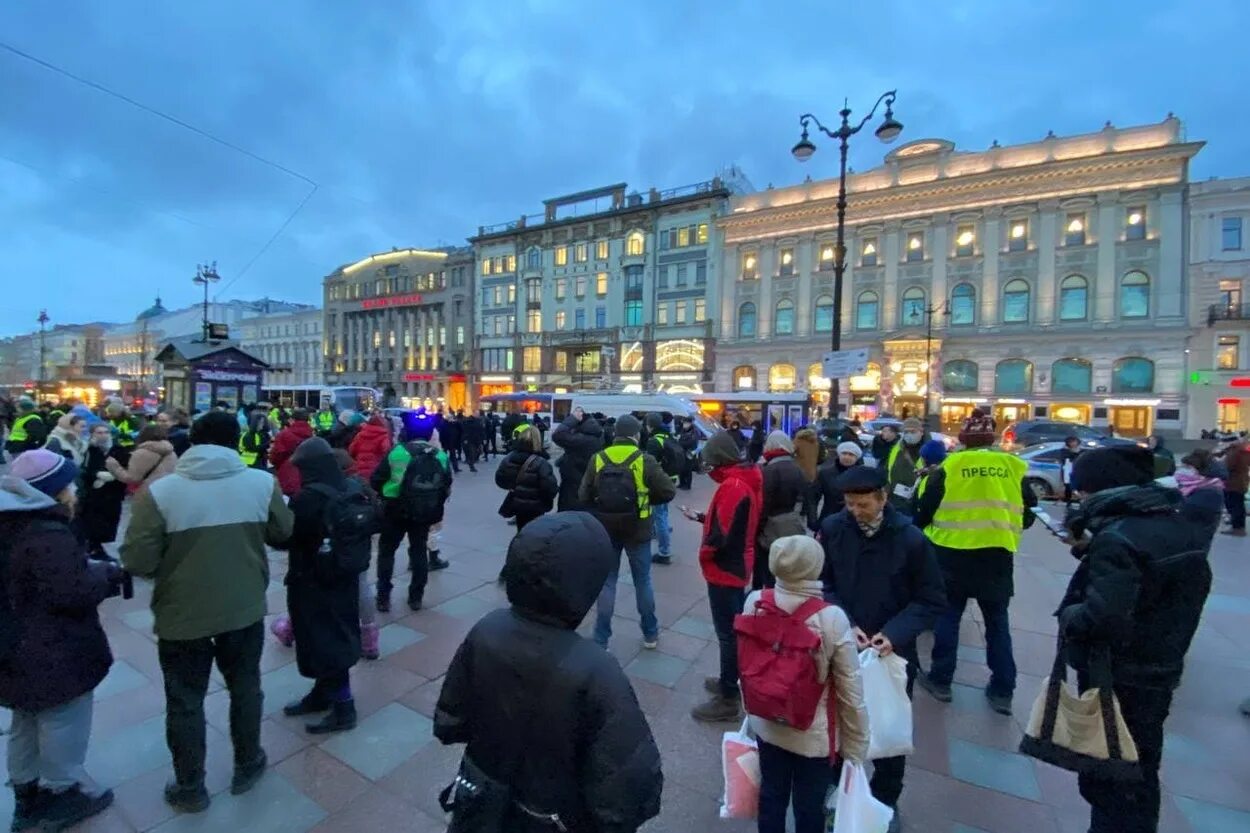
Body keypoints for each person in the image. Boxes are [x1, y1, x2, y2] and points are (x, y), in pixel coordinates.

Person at [434, 513, 663, 833]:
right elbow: (629, 790)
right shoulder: (597, 670)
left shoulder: (488, 629)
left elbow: (449, 723)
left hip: (481, 809)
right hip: (550, 816)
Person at [120, 412, 294, 814]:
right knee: (246, 686)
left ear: (192, 442)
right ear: (236, 440)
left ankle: (189, 786)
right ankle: (248, 763)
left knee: (184, 700)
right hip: (244, 606)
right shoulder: (260, 482)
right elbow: (283, 532)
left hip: (182, 615)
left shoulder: (162, 492)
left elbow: (138, 560)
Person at [1059, 446, 1212, 833]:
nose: (1079, 496)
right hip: (1160, 665)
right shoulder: (1178, 524)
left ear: (1102, 487)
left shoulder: (1118, 538)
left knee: (1109, 774)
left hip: (1117, 672)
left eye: (1082, 489)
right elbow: (1152, 587)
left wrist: (1069, 615)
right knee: (1140, 769)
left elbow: (1102, 615)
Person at [1, 451, 121, 831]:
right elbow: (72, 593)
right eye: (68, 484)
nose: (75, 490)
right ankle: (61, 793)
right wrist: (105, 577)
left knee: (25, 719)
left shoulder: (11, 524)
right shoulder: (47, 533)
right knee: (63, 720)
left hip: (14, 642)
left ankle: (26, 792)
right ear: (52, 491)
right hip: (53, 647)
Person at [819, 465, 946, 825]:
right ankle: (839, 793)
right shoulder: (833, 529)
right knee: (839, 725)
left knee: (888, 727)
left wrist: (894, 634)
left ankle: (885, 800)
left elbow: (931, 599)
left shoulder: (911, 540)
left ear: (882, 499)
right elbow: (824, 583)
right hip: (844, 645)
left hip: (893, 653)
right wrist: (846, 621)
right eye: (849, 504)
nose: (855, 512)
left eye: (862, 504)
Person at [747, 536, 870, 833]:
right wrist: (856, 748)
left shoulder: (755, 601)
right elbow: (850, 691)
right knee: (809, 806)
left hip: (768, 724)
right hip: (813, 737)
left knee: (771, 795)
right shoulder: (831, 618)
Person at [915, 414, 1034, 715]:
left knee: (948, 619)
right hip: (997, 555)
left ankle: (941, 680)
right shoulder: (1013, 467)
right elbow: (1029, 512)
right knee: (997, 624)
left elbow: (925, 510)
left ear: (963, 440)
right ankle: (1002, 690)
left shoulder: (950, 466)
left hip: (951, 553)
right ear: (992, 439)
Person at [277, 438, 364, 734]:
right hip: (344, 575)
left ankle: (343, 707)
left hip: (314, 579)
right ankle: (322, 693)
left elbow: (286, 537)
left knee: (325, 640)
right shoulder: (351, 486)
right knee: (333, 634)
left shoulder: (309, 498)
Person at [578, 414, 676, 651]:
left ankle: (601, 638)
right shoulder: (645, 460)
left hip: (606, 529)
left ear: (615, 434)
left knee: (607, 582)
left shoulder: (598, 458)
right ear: (635, 434)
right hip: (638, 529)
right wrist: (645, 501)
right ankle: (650, 633)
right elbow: (668, 491)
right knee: (642, 581)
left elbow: (583, 496)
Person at [685, 429, 762, 723]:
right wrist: (704, 519)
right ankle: (728, 681)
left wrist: (705, 553)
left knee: (727, 633)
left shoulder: (732, 486)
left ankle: (729, 697)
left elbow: (723, 535)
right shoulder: (745, 479)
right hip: (737, 564)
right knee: (731, 631)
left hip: (725, 569)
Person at [370, 430, 453, 612]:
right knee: (419, 551)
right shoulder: (439, 455)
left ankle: (383, 597)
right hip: (424, 512)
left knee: (387, 552)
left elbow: (376, 480)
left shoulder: (398, 452)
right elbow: (447, 483)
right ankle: (416, 597)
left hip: (395, 509)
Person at [755, 431, 808, 589]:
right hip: (790, 522)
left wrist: (758, 526)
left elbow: (765, 501)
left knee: (766, 564)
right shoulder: (796, 467)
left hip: (770, 525)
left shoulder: (769, 469)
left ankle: (764, 592)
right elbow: (805, 496)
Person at [495, 425, 558, 534]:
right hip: (536, 506)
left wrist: (514, 487)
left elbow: (500, 479)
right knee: (535, 533)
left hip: (518, 504)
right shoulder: (541, 463)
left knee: (521, 530)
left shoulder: (510, 458)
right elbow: (550, 488)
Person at [78, 424, 127, 560]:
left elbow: (126, 468)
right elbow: (83, 469)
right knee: (92, 521)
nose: (103, 435)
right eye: (99, 433)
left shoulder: (118, 449)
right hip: (93, 493)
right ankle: (94, 547)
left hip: (113, 493)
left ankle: (98, 547)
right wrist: (96, 475)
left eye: (106, 432)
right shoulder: (89, 450)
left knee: (109, 521)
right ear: (93, 434)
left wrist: (113, 477)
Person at [644, 412, 682, 565]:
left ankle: (664, 552)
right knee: (663, 513)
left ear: (650, 425)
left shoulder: (654, 441)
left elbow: (650, 465)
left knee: (659, 516)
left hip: (659, 482)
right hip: (671, 480)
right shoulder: (669, 437)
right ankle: (664, 532)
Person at [551, 406, 605, 511]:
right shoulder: (594, 437)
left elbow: (557, 435)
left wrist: (572, 419)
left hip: (574, 491)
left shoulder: (583, 440)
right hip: (585, 490)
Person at [808, 441, 864, 531]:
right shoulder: (825, 473)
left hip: (855, 521)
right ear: (839, 454)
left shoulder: (862, 475)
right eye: (844, 453)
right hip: (829, 518)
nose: (847, 457)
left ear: (856, 458)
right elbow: (812, 498)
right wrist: (812, 520)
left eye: (851, 454)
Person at [105, 424, 176, 491]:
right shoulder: (171, 452)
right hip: (166, 490)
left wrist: (114, 467)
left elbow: (132, 479)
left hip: (148, 492)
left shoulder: (142, 453)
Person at [269, 408, 314, 498]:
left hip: (287, 476)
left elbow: (276, 456)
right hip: (308, 477)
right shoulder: (313, 436)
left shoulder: (283, 435)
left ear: (292, 420)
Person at [884, 417, 927, 511]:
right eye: (906, 432)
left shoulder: (930, 450)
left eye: (913, 431)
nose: (909, 435)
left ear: (921, 432)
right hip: (896, 499)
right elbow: (887, 470)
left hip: (919, 500)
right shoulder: (897, 449)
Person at [1218, 434, 1250, 537]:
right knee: (1238, 504)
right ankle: (1237, 526)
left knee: (1234, 505)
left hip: (1233, 483)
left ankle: (1238, 528)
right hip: (1240, 482)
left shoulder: (1234, 452)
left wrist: (1220, 463)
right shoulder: (1242, 450)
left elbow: (1228, 466)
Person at [348, 412, 392, 480]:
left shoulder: (360, 435)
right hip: (374, 469)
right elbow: (386, 452)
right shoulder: (383, 436)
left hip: (359, 468)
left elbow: (351, 450)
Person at [676, 416, 699, 490]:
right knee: (681, 468)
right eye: (684, 423)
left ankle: (687, 485)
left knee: (688, 469)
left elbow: (691, 442)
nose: (685, 424)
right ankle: (681, 483)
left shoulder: (694, 431)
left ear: (690, 423)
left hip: (689, 453)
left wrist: (680, 442)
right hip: (682, 452)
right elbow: (678, 436)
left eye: (686, 423)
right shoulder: (682, 430)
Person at [1060, 435, 1083, 506]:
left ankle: (1080, 501)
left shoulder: (1082, 451)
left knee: (1078, 487)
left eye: (1074, 442)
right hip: (1068, 471)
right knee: (1068, 487)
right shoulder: (1064, 451)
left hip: (1078, 471)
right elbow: (1065, 459)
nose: (1073, 444)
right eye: (1071, 442)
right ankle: (1068, 502)